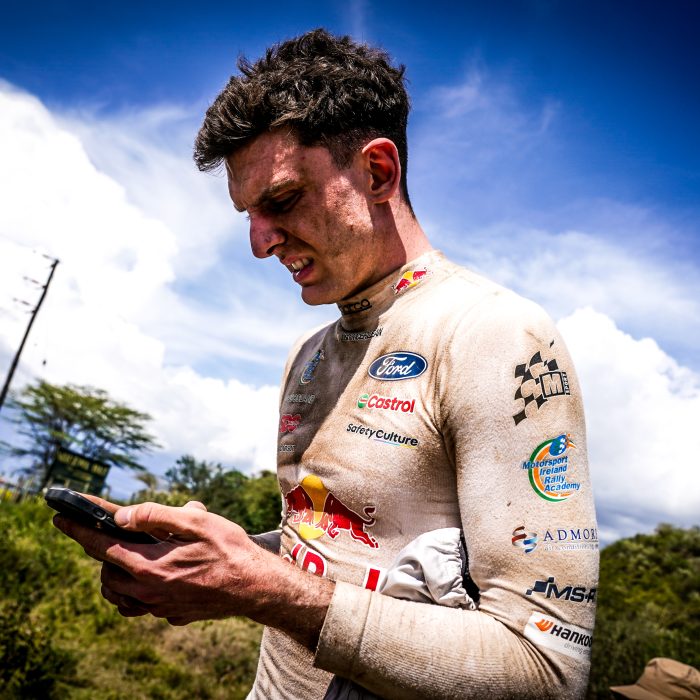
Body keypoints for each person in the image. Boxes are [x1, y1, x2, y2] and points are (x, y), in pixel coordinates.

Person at [53, 28, 599, 699]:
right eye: (248, 214)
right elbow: (327, 554)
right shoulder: (307, 355)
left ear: (378, 172)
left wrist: (257, 587)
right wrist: (205, 563)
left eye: (281, 201)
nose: (260, 243)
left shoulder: (496, 335)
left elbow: (547, 673)